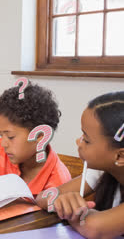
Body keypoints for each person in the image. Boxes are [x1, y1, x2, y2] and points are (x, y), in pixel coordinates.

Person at [36, 91, 124, 239]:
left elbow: (95, 228)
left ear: (120, 156)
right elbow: (43, 197)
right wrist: (60, 201)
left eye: (87, 140)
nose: (78, 141)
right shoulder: (101, 171)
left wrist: (73, 213)